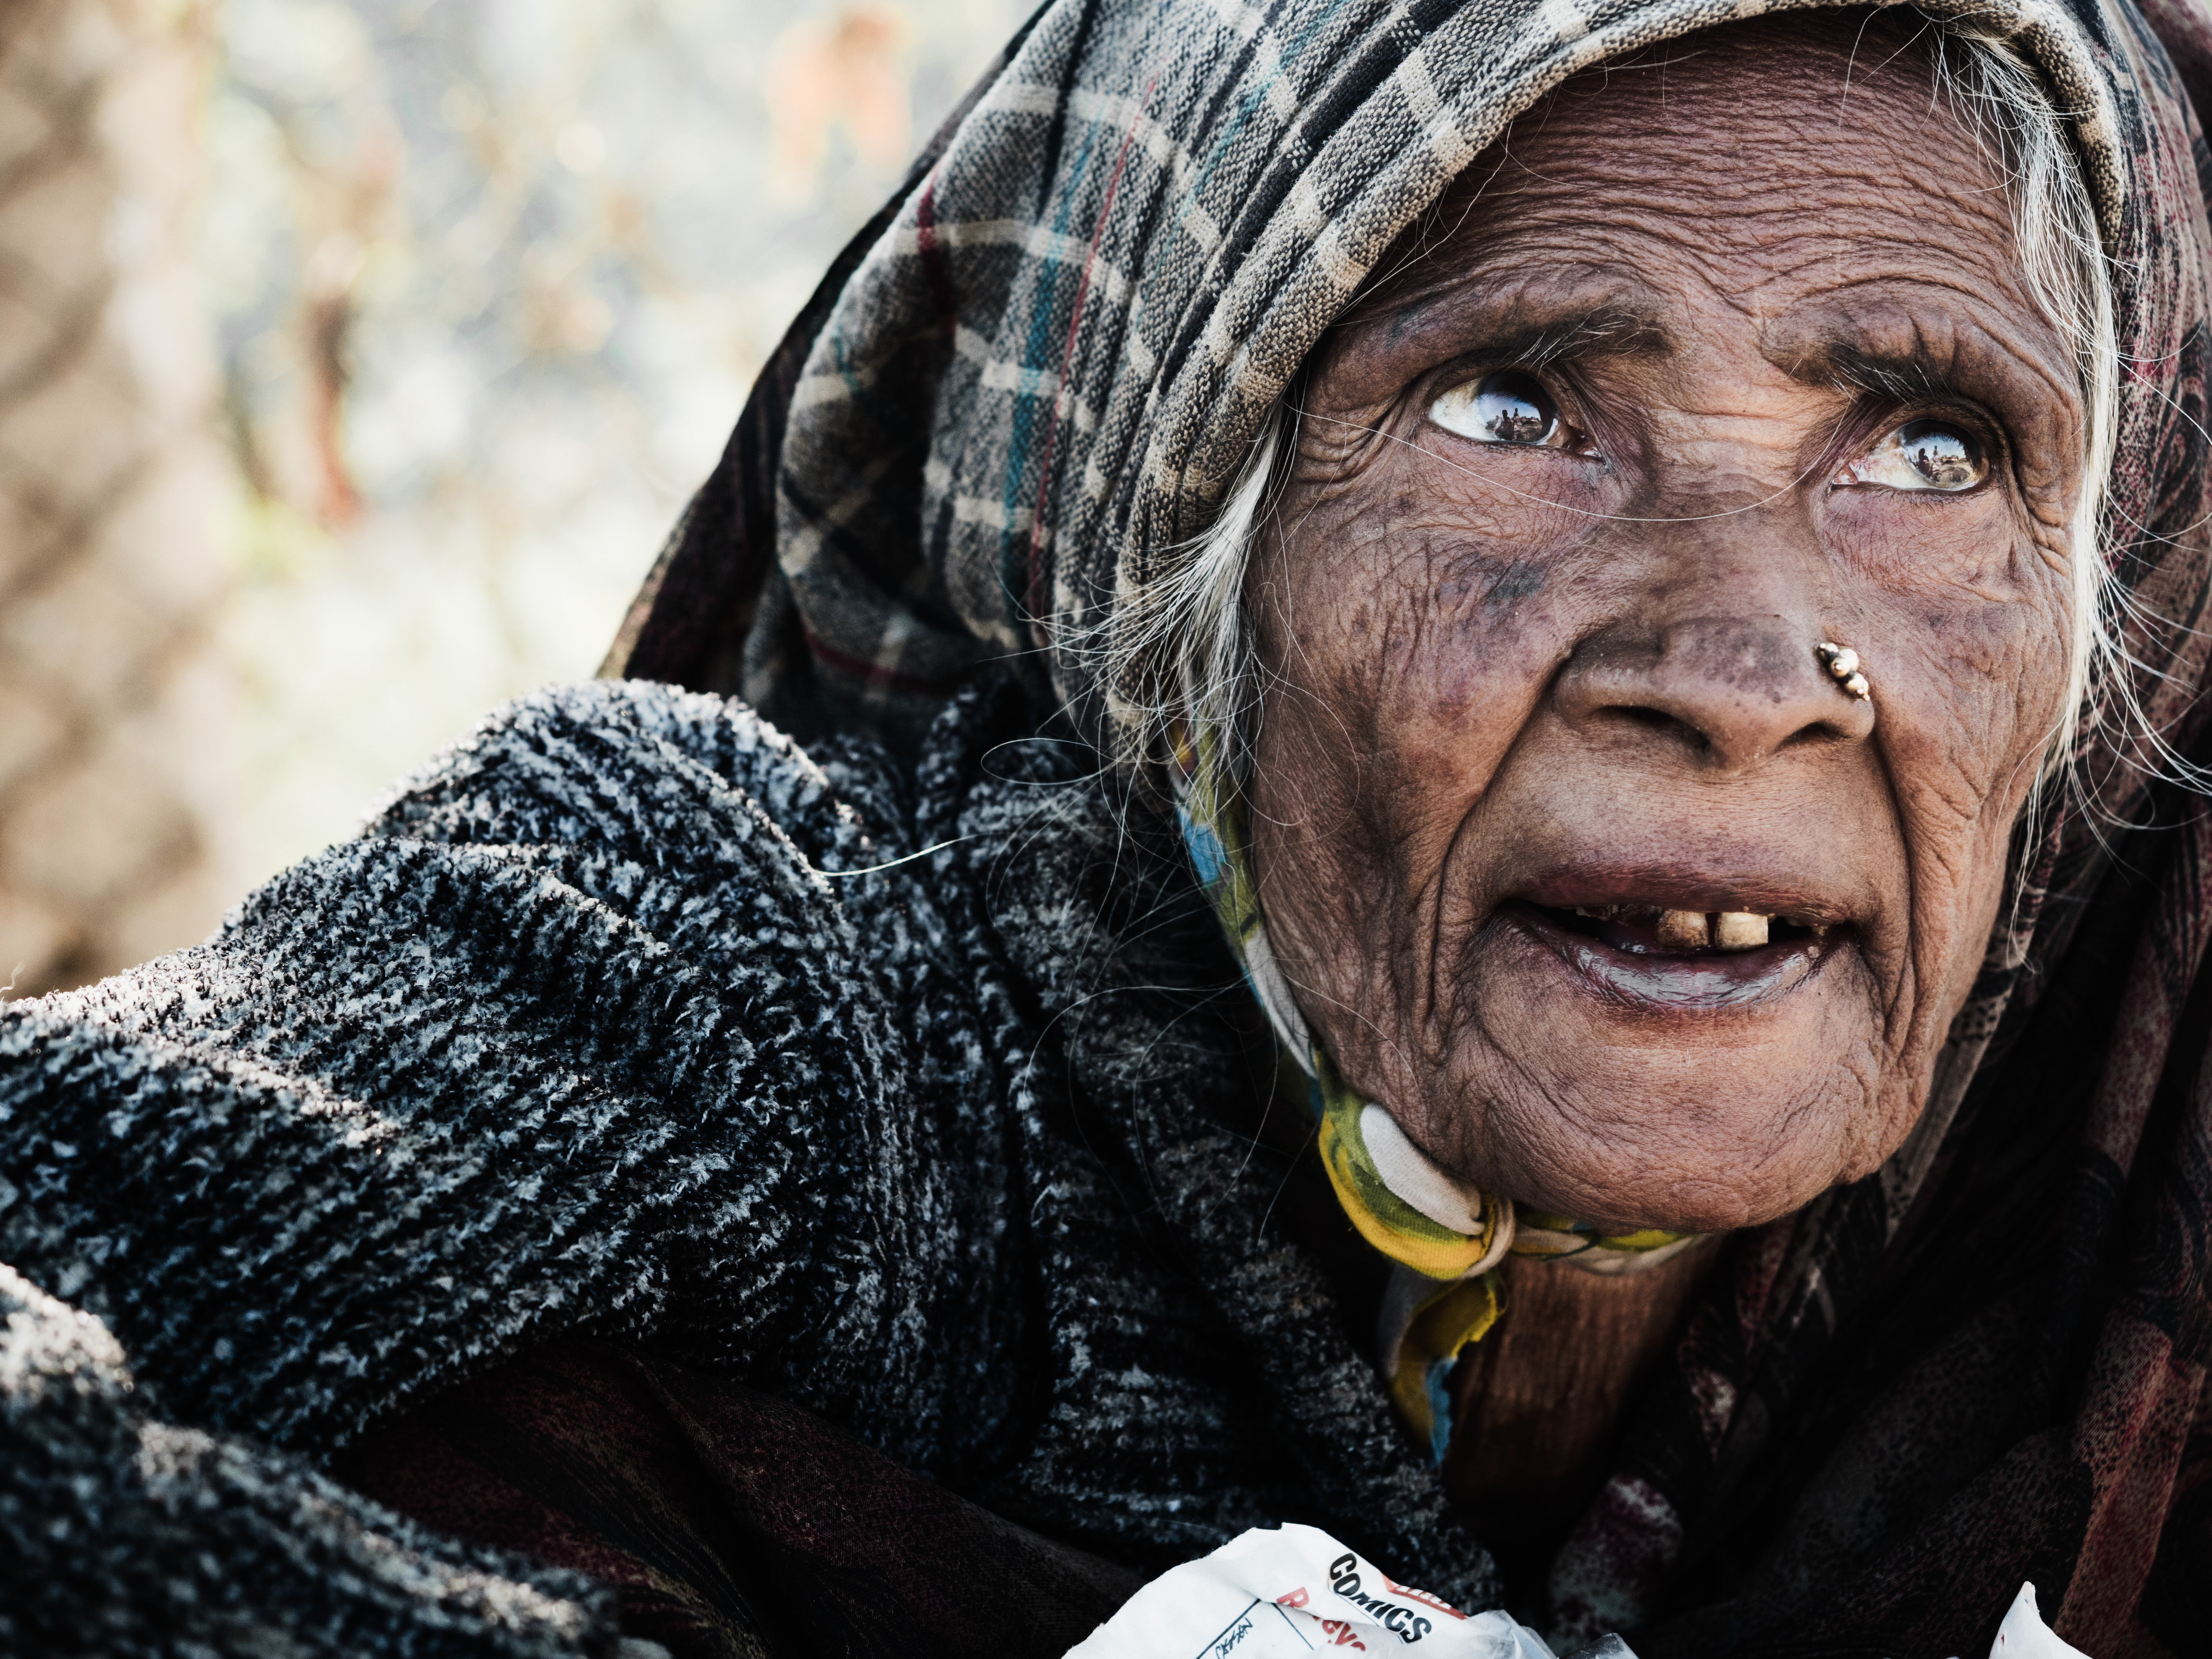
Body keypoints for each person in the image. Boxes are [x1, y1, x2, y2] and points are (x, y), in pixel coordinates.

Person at [4, 0, 2210, 1653]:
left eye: (1926, 448)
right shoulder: (779, 994)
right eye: (1511, 409)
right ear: (1180, 562)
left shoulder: (2086, 1218)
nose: (1740, 672)